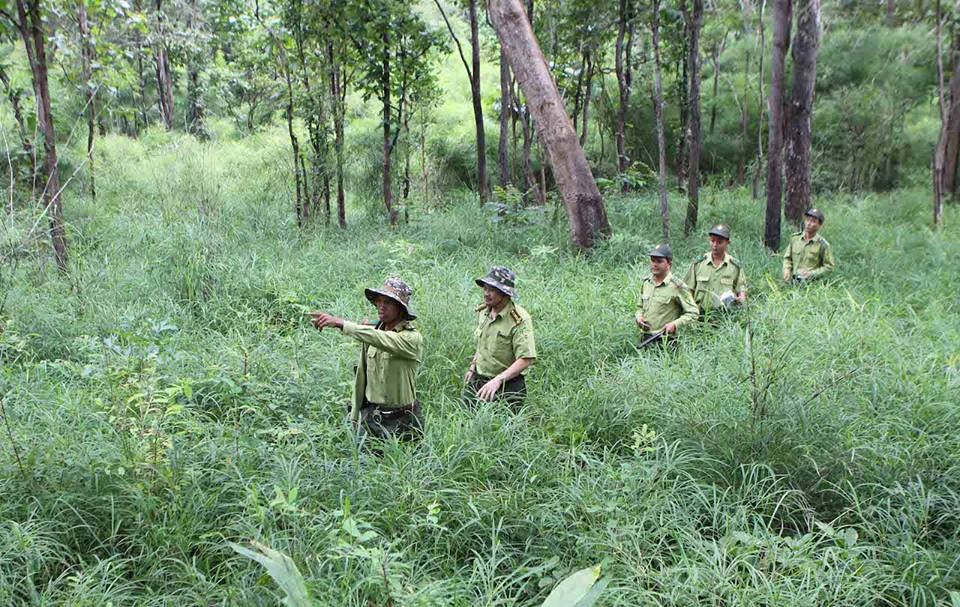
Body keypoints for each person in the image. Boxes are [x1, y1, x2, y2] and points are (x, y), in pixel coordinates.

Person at [310, 277, 424, 441]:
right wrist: (355, 415)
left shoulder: (411, 339)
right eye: (378, 301)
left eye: (388, 302)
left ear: (400, 309)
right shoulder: (373, 333)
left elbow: (380, 338)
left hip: (402, 422)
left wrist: (341, 323)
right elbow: (361, 377)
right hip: (371, 417)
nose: (381, 306)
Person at [463, 266, 537, 407]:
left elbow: (526, 358)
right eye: (485, 288)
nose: (486, 294)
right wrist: (472, 367)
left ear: (505, 293)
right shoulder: (484, 312)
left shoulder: (519, 319)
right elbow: (482, 344)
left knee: (501, 426)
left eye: (492, 290)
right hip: (478, 379)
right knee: (465, 419)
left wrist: (498, 380)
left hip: (507, 385)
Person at [636, 243, 699, 348]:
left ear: (669, 264)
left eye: (659, 261)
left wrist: (675, 324)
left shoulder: (677, 286)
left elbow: (693, 313)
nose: (654, 264)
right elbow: (639, 307)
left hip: (666, 341)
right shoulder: (646, 283)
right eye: (652, 260)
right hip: (645, 339)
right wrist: (639, 317)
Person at [683, 224, 747, 317]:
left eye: (719, 242)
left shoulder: (735, 266)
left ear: (727, 243)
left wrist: (740, 299)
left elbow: (741, 291)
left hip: (725, 318)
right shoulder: (699, 263)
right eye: (712, 241)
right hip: (699, 316)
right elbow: (688, 290)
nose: (715, 245)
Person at [783, 207, 835, 283]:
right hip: (792, 282)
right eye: (807, 220)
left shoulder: (823, 245)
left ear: (819, 225)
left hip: (811, 285)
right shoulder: (795, 239)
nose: (809, 223)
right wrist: (786, 270)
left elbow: (829, 267)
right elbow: (787, 258)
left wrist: (812, 274)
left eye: (813, 221)